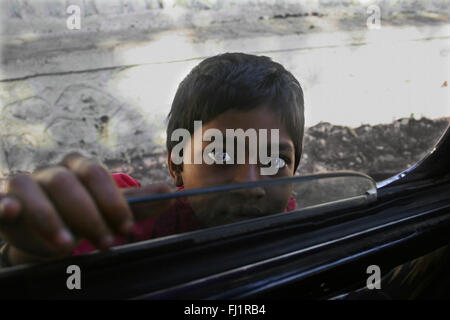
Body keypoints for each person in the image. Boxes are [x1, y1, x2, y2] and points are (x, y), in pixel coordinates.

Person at [0, 52, 304, 267]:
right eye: (221, 154)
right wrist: (34, 250)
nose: (250, 185)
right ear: (176, 166)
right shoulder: (131, 219)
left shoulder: (290, 216)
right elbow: (69, 250)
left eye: (275, 161)